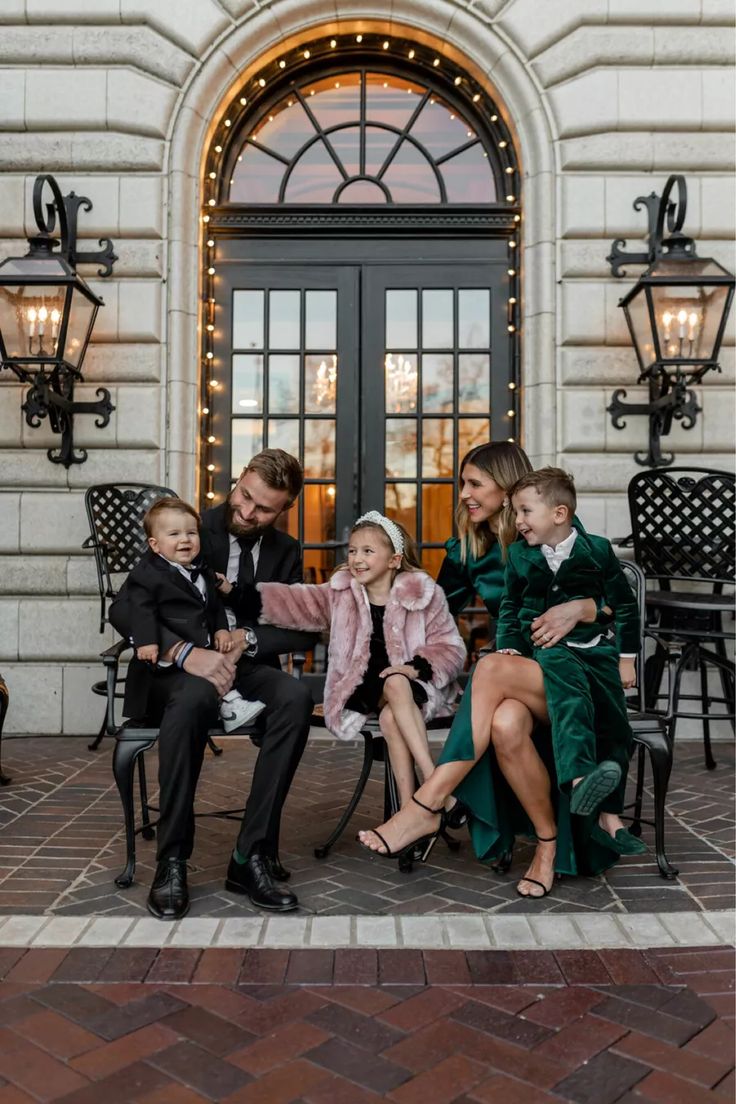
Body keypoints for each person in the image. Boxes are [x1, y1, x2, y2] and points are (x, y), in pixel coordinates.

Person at [359, 443, 638, 897]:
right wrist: (397, 652)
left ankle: (430, 800)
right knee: (506, 722)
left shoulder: (555, 529)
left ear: (509, 490)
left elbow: (609, 597)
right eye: (462, 483)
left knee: (488, 669)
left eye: (475, 484)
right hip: (522, 677)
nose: (464, 494)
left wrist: (581, 608)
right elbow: (429, 612)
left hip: (574, 678)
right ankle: (547, 848)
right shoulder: (468, 548)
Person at [110, 449, 316, 920]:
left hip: (241, 661)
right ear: (239, 476)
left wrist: (246, 638)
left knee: (295, 697)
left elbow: (302, 629)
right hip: (174, 670)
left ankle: (251, 856)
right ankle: (172, 861)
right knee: (194, 698)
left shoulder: (286, 550)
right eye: (245, 496)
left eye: (264, 508)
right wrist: (184, 652)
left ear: (284, 509)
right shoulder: (187, 527)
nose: (247, 512)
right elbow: (125, 608)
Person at [232, 510, 466, 849]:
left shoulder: (423, 593)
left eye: (368, 551)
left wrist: (415, 668)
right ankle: (433, 798)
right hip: (363, 687)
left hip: (418, 683)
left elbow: (451, 648)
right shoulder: (341, 592)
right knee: (389, 693)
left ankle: (416, 803)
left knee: (393, 698)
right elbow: (294, 602)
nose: (357, 559)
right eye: (353, 551)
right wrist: (239, 593)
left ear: (394, 560)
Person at [126, 497, 266, 735]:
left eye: (191, 533)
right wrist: (147, 640)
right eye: (174, 534)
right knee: (203, 680)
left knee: (219, 669)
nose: (185, 539)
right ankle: (230, 705)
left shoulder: (201, 571)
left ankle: (230, 707)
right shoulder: (147, 575)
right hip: (166, 660)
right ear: (155, 544)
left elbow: (213, 606)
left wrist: (221, 628)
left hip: (202, 649)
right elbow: (140, 608)